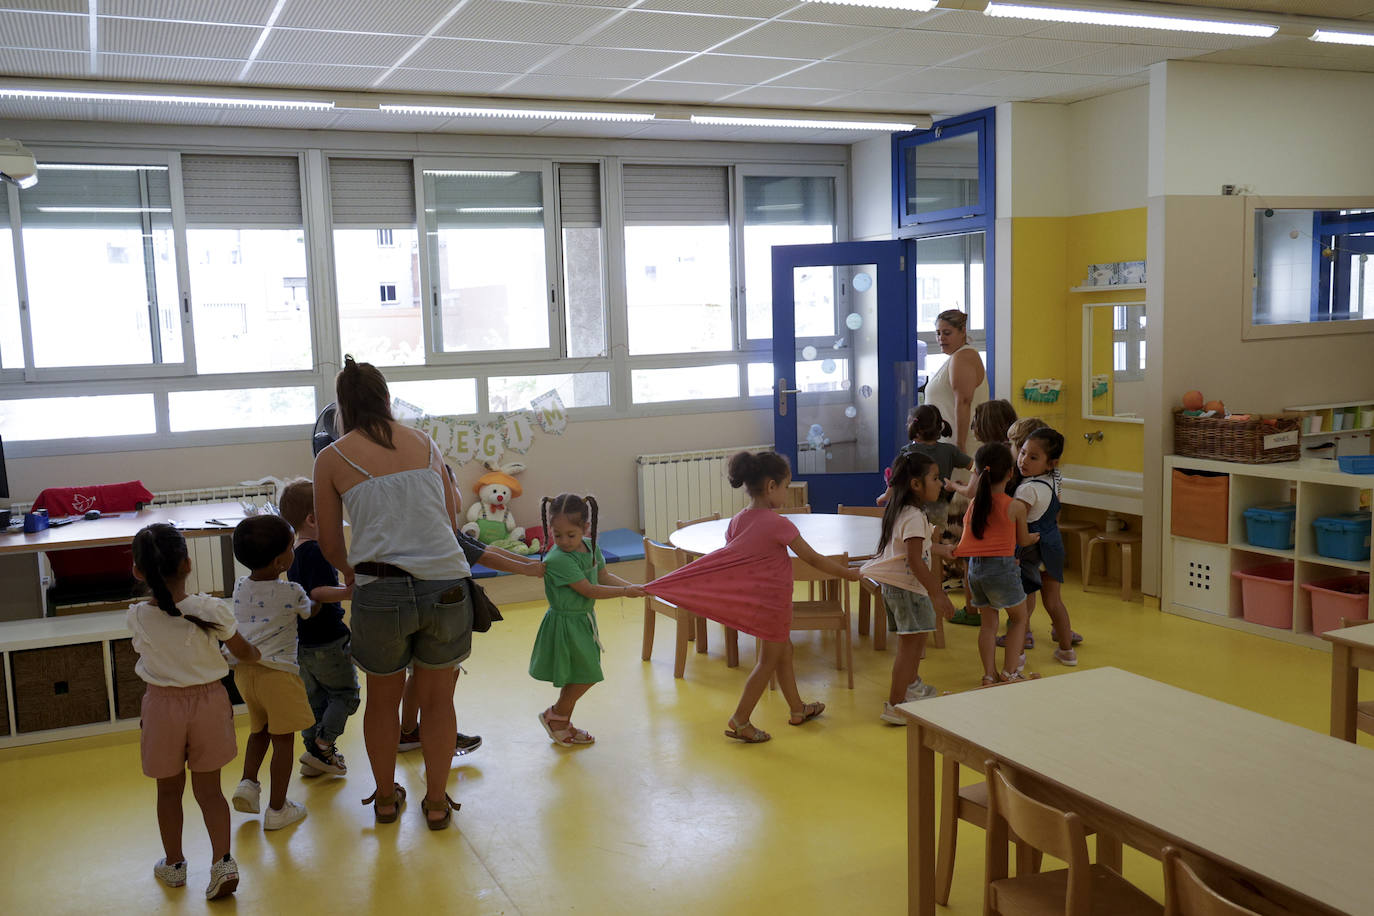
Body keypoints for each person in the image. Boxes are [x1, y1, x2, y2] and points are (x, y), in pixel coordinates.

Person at [314, 355, 473, 830]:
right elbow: (450, 520)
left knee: (382, 701)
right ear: (386, 398)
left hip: (379, 589)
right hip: (446, 585)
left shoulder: (331, 458)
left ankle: (385, 800)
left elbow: (329, 543)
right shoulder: (424, 442)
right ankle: (437, 803)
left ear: (342, 406)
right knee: (439, 701)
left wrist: (352, 575)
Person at [643, 451, 862, 744]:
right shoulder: (778, 524)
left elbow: (738, 559)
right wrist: (848, 574)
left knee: (784, 652)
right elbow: (812, 558)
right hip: (773, 605)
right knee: (768, 661)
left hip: (761, 602)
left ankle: (797, 708)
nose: (787, 492)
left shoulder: (737, 521)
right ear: (771, 486)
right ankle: (741, 719)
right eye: (786, 486)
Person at [128, 523, 260, 900]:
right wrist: (252, 655)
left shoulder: (137, 615)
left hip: (162, 706)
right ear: (188, 564)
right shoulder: (210, 609)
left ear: (138, 571)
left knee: (168, 791)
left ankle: (174, 864)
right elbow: (244, 651)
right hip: (209, 704)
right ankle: (223, 863)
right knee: (210, 790)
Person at [399, 497, 545, 757]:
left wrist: (529, 563)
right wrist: (528, 570)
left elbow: (484, 548)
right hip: (440, 612)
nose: (458, 494)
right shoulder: (442, 530)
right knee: (441, 681)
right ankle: (439, 733)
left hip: (419, 608)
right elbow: (485, 556)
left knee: (417, 673)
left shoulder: (433, 527)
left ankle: (409, 731)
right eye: (453, 485)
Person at [529, 493, 645, 747]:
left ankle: (561, 720)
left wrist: (633, 587)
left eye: (571, 535)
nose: (564, 541)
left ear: (585, 528)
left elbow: (603, 576)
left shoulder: (590, 547)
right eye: (558, 535)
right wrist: (627, 591)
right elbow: (589, 590)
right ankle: (555, 716)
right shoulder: (558, 559)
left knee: (579, 673)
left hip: (582, 619)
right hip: (565, 623)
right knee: (586, 674)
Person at [227, 515, 315, 831]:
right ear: (280, 562)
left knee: (259, 730)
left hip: (245, 674)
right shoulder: (292, 591)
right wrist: (320, 597)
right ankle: (278, 808)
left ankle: (248, 783)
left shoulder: (240, 586)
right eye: (291, 547)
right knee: (283, 742)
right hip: (278, 675)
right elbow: (309, 611)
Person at [864, 451, 957, 725]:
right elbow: (915, 562)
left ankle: (911, 687)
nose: (940, 483)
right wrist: (938, 594)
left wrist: (941, 549)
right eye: (935, 478)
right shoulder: (914, 516)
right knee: (910, 647)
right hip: (908, 590)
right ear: (916, 484)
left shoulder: (903, 511)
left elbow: (914, 548)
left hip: (900, 589)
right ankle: (895, 704)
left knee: (914, 643)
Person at [278, 478, 359, 779]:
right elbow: (317, 593)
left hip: (304, 642)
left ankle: (313, 754)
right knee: (346, 694)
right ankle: (323, 746)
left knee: (315, 700)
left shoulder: (295, 551)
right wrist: (348, 592)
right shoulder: (317, 551)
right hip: (328, 640)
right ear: (313, 519)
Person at [955, 443, 1039, 685]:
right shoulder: (1015, 506)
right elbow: (1023, 540)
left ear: (978, 472)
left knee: (988, 625)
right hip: (1002, 570)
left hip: (976, 571)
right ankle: (1009, 672)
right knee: (1019, 619)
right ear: (1011, 473)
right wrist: (1034, 538)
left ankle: (989, 674)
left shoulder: (975, 504)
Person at [1011, 427, 1081, 666]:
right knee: (1053, 602)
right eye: (1022, 453)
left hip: (1030, 549)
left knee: (1023, 605)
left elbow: (1018, 523)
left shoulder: (1027, 489)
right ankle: (1067, 651)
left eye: (1033, 457)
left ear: (1051, 463)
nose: (1023, 461)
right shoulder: (1054, 480)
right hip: (1053, 545)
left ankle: (1018, 654)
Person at [923, 309, 988, 455]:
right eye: (938, 333)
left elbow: (963, 402)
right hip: (947, 443)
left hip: (958, 445)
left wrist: (960, 445)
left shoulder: (963, 357)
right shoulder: (956, 357)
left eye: (947, 333)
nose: (941, 338)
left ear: (963, 331)